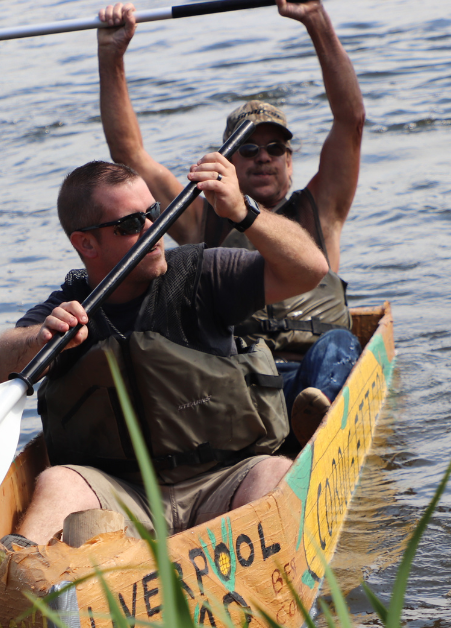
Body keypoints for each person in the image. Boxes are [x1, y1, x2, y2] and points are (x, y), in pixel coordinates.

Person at [0, 158, 328, 545]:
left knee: (276, 474)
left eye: (155, 213)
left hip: (223, 479)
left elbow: (311, 269)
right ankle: (30, 585)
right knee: (56, 480)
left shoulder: (204, 275)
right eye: (131, 224)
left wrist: (243, 211)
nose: (154, 230)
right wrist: (38, 340)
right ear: (86, 243)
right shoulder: (68, 308)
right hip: (122, 493)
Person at [95, 0, 366, 434]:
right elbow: (129, 155)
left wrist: (315, 19)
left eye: (275, 148)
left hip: (316, 368)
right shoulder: (203, 216)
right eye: (249, 149)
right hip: (243, 375)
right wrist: (112, 57)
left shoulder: (322, 208)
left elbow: (350, 121)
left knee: (340, 343)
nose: (263, 158)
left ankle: (314, 421)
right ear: (229, 163)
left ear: (290, 162)